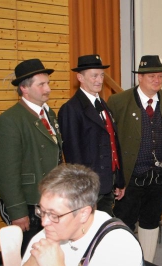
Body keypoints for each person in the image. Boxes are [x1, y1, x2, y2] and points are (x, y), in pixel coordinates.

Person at [107, 55, 162, 262]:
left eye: (159, 76)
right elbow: (112, 140)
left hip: (159, 177)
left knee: (151, 220)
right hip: (130, 178)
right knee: (124, 222)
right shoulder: (119, 101)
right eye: (151, 76)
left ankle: (147, 261)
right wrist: (116, 177)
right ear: (139, 77)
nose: (157, 80)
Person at [0, 58, 62, 256]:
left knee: (45, 253)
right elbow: (6, 172)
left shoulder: (49, 115)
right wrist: (17, 211)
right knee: (27, 255)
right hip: (28, 203)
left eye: (48, 83)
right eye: (41, 84)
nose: (48, 88)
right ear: (24, 88)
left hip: (47, 200)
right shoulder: (9, 121)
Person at [21, 163, 143, 266]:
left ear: (84, 213)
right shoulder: (50, 232)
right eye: (42, 211)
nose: (44, 222)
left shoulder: (119, 247)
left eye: (54, 215)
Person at [58, 54, 125, 217]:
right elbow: (73, 154)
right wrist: (83, 190)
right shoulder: (71, 109)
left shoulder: (103, 104)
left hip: (108, 182)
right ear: (80, 77)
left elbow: (113, 143)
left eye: (101, 75)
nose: (99, 80)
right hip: (89, 187)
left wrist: (119, 179)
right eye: (94, 75)